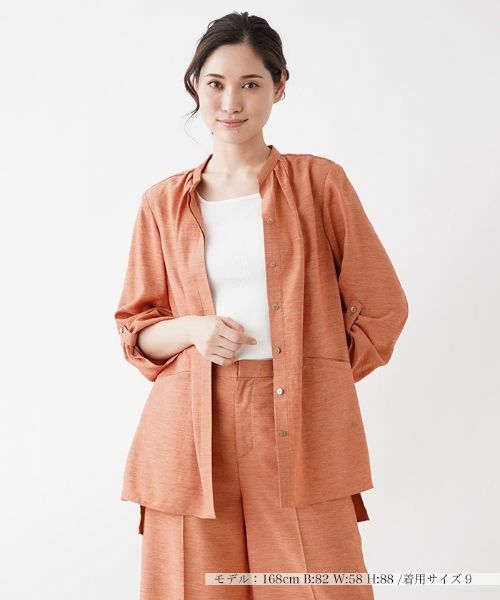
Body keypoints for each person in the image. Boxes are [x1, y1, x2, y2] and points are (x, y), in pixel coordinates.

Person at [114, 11, 408, 600]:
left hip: (302, 426)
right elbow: (136, 332)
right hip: (187, 430)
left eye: (250, 83)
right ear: (195, 86)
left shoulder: (320, 183)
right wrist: (193, 328)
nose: (231, 102)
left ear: (279, 87)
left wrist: (313, 374)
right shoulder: (161, 204)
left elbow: (382, 307)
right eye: (216, 83)